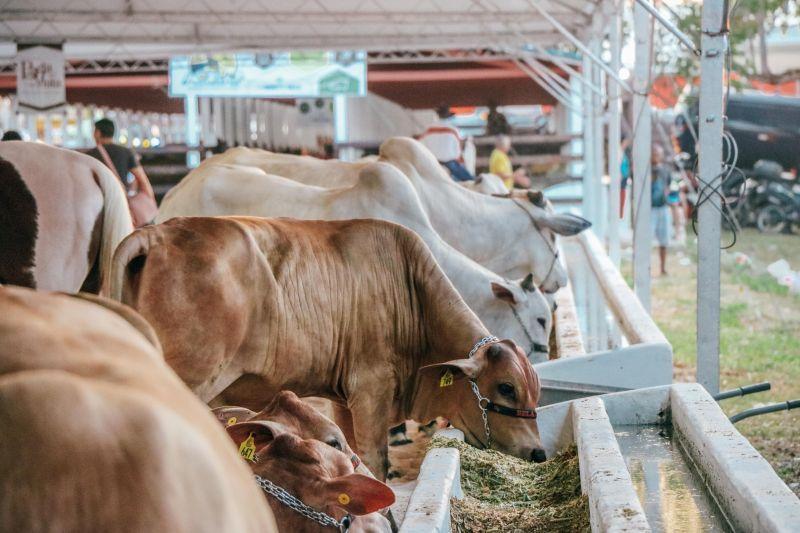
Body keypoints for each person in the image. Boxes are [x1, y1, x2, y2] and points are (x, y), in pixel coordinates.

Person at [87, 118, 155, 199]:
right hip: (121, 200)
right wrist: (152, 202)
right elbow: (143, 180)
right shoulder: (126, 152)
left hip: (97, 201)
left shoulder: (90, 155)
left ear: (97, 133)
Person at [651, 145, 671, 276]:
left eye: (659, 154)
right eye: (655, 154)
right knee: (646, 238)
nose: (657, 156)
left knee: (664, 240)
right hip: (650, 208)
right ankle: (645, 267)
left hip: (662, 207)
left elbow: (668, 184)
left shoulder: (665, 170)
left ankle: (663, 268)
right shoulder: (647, 170)